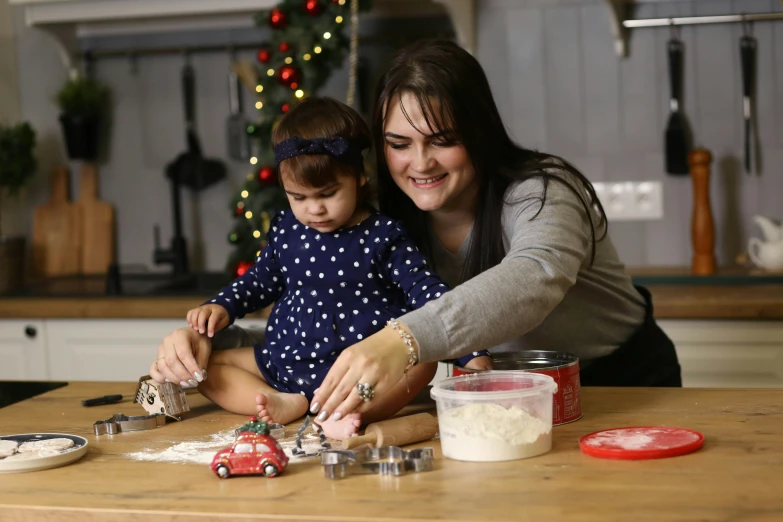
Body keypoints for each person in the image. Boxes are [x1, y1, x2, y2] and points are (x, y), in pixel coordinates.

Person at [303, 39, 681, 423]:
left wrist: (402, 339)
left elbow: (536, 276)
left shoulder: (545, 189)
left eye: (443, 140)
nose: (420, 163)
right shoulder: (377, 218)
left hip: (622, 384)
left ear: (479, 132)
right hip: (506, 399)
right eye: (400, 144)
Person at [149, 96, 490, 439]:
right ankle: (285, 402)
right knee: (208, 370)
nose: (314, 210)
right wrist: (222, 305)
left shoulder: (384, 235)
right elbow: (260, 280)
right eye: (298, 197)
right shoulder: (287, 229)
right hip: (286, 360)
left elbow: (427, 293)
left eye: (327, 194)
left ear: (358, 177)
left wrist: (471, 351)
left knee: (423, 364)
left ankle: (343, 413)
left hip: (358, 374)